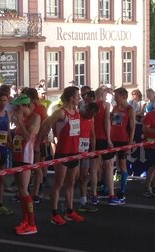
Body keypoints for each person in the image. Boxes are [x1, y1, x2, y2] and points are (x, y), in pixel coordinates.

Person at [39, 86, 84, 225]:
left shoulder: (76, 111)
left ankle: (70, 211)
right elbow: (45, 123)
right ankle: (54, 213)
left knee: (71, 184)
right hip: (63, 153)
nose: (79, 98)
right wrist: (41, 139)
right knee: (58, 184)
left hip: (74, 152)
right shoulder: (61, 113)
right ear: (71, 98)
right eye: (77, 96)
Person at [11, 93, 40, 234]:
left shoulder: (35, 117)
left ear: (24, 106)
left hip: (26, 157)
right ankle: (25, 220)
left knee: (24, 189)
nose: (16, 109)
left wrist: (20, 123)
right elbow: (19, 137)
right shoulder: (20, 118)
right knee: (20, 191)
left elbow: (28, 137)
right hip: (17, 156)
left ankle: (32, 224)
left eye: (18, 106)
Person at [110, 88, 135, 202]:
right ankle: (108, 188)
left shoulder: (130, 109)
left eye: (117, 96)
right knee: (109, 164)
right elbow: (113, 123)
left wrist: (129, 144)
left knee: (122, 165)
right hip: (112, 139)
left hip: (123, 141)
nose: (115, 98)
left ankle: (122, 190)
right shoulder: (115, 108)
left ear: (123, 97)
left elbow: (132, 128)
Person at [77, 102, 99, 212]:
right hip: (74, 153)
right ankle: (67, 204)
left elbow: (92, 134)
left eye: (94, 115)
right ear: (87, 110)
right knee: (73, 178)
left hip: (85, 151)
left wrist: (93, 149)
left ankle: (83, 202)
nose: (92, 117)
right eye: (91, 114)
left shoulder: (91, 120)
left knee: (84, 178)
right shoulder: (78, 117)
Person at [142, 102, 155, 197]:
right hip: (150, 144)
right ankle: (147, 187)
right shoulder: (149, 115)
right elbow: (145, 130)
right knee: (153, 166)